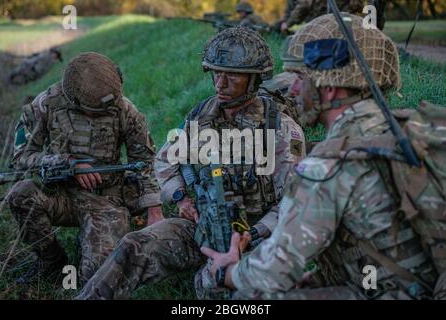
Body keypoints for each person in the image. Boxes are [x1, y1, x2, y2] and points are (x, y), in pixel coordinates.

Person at [201, 14, 441, 300]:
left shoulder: (327, 166)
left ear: (329, 86)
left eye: (300, 79)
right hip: (423, 283)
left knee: (245, 299)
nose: (291, 90)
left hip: (392, 292)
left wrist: (225, 272)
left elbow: (274, 270)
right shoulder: (412, 129)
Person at [75, 27, 306, 300]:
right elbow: (164, 162)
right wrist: (181, 197)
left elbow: (292, 204)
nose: (220, 84)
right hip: (202, 226)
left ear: (254, 79)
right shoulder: (202, 115)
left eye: (231, 76)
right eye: (216, 73)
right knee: (134, 244)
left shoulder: (279, 129)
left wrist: (251, 235)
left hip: (256, 238)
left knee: (215, 286)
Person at [7, 52, 164, 285]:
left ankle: (90, 241)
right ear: (74, 100)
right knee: (20, 195)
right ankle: (51, 262)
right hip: (60, 195)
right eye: (95, 111)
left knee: (96, 280)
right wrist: (67, 163)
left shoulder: (125, 110)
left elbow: (144, 161)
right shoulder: (45, 104)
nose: (104, 112)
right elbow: (21, 156)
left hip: (105, 201)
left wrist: (154, 210)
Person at [279, 0, 364, 33]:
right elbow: (357, 5)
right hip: (343, 24)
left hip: (318, 26)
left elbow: (304, 6)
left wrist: (287, 23)